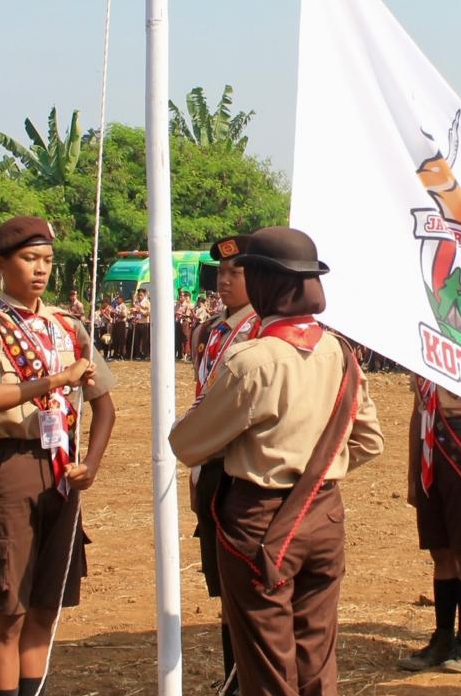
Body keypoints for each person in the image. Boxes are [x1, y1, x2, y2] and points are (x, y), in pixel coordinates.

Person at [170, 226, 383, 696]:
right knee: (316, 655)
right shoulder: (340, 352)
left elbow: (187, 444)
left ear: (265, 285)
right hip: (324, 512)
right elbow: (369, 440)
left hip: (260, 516)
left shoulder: (253, 360)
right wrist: (320, 466)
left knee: (267, 666)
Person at [0, 215, 118, 696]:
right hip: (14, 466)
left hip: (63, 470)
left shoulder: (67, 326)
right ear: (2, 263)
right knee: (10, 609)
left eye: (47, 260)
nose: (41, 269)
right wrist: (52, 382)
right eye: (29, 259)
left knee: (47, 604)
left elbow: (106, 407)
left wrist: (93, 461)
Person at [187, 235, 259, 696]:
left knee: (248, 586)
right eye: (222, 273)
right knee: (225, 586)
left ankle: (249, 679)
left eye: (237, 273)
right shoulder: (212, 330)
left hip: (244, 467)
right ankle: (234, 677)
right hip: (211, 467)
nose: (225, 280)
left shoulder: (263, 333)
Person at [397, 374, 461, 674]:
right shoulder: (424, 348)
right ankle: (443, 637)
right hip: (430, 449)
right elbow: (417, 413)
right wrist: (413, 476)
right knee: (440, 550)